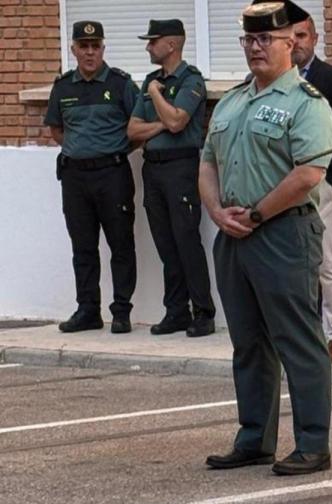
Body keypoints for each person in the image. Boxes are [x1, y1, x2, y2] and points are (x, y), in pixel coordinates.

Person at [200, 2, 332, 476]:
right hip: (234, 235)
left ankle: (313, 444)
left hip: (283, 233)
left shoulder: (307, 104)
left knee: (297, 339)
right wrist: (218, 211)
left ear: (291, 44)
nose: (256, 48)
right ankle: (254, 438)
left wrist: (258, 213)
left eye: (267, 40)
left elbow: (309, 174)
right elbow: (208, 162)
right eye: (249, 40)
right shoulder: (233, 101)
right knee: (248, 342)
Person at [263, 0, 332, 363]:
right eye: (291, 36)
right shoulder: (272, 81)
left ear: (315, 37)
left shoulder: (329, 77)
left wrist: (329, 158)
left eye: (303, 35)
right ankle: (299, 332)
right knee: (291, 259)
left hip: (321, 183)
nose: (297, 42)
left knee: (327, 258)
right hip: (282, 182)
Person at [44, 21, 141, 334]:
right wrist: (82, 150)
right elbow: (58, 130)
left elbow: (137, 127)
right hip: (75, 178)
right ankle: (88, 310)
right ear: (73, 49)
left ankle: (122, 311)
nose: (89, 52)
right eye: (83, 46)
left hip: (112, 174)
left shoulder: (121, 83)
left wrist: (109, 151)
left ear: (103, 48)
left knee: (121, 244)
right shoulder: (63, 87)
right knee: (83, 247)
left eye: (95, 46)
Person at [127, 19, 215, 338]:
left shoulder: (190, 80)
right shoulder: (151, 80)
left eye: (153, 41)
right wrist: (163, 123)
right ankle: (175, 311)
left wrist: (156, 98)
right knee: (165, 242)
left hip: (182, 167)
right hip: (153, 168)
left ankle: (202, 312)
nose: (149, 47)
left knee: (186, 240)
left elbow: (179, 123)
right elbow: (133, 130)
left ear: (172, 44)